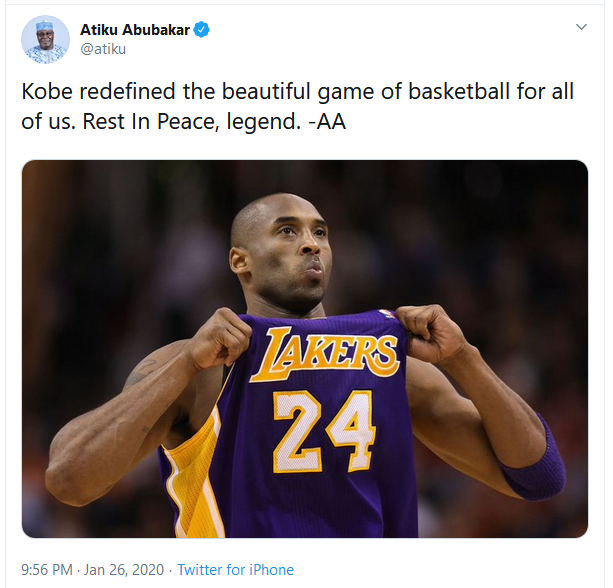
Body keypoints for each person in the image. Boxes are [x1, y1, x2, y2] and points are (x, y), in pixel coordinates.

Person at [45, 193, 565, 537]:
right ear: (240, 260)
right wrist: (183, 365)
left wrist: (465, 359)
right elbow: (69, 479)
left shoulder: (389, 365)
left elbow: (539, 477)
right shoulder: (196, 365)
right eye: (287, 231)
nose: (312, 243)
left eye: (321, 232)